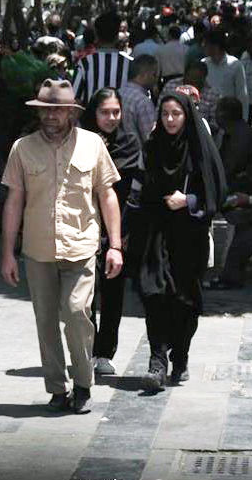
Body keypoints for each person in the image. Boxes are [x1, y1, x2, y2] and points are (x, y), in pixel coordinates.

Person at [0, 79, 123, 414]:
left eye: (58, 110)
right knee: (45, 322)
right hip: (38, 249)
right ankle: (57, 388)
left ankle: (82, 382)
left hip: (81, 246)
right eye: (45, 110)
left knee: (76, 312)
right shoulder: (22, 148)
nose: (51, 116)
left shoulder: (92, 144)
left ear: (71, 112)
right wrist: (8, 252)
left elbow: (107, 195)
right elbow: (14, 201)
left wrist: (115, 246)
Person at [128, 93, 226, 392]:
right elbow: (138, 189)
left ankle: (180, 356)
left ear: (187, 116)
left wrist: (189, 200)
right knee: (154, 293)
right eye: (165, 114)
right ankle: (157, 362)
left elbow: (217, 191)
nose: (170, 120)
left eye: (176, 114)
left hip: (189, 236)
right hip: (155, 231)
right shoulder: (152, 147)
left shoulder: (199, 149)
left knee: (186, 301)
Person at [80, 88, 141, 376]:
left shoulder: (129, 142)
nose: (111, 118)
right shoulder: (81, 141)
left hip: (118, 228)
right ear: (94, 113)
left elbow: (131, 190)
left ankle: (105, 352)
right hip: (85, 226)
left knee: (113, 293)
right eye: (105, 112)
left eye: (116, 112)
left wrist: (124, 233)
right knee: (84, 294)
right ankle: (87, 348)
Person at [208, 97, 252, 289]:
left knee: (247, 226)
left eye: (217, 111)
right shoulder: (234, 134)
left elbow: (228, 169)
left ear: (223, 114)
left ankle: (230, 277)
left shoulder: (241, 136)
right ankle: (229, 276)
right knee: (246, 227)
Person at [73, 12, 133, 105]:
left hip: (91, 114)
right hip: (123, 113)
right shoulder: (130, 64)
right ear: (117, 36)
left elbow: (75, 97)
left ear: (96, 35)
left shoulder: (85, 63)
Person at [160, 61, 222, 133]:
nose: (191, 86)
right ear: (184, 76)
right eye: (189, 81)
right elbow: (159, 111)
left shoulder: (213, 94)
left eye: (195, 81)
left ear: (203, 79)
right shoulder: (171, 86)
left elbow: (215, 125)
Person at [202, 29, 248, 120]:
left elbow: (242, 94)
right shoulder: (203, 64)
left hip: (228, 116)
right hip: (207, 116)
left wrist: (243, 119)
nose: (203, 46)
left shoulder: (235, 65)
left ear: (216, 46)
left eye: (206, 44)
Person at [118, 54, 159, 144]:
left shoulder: (119, 93)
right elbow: (150, 137)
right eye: (154, 74)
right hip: (137, 151)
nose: (156, 79)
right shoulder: (143, 101)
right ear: (144, 75)